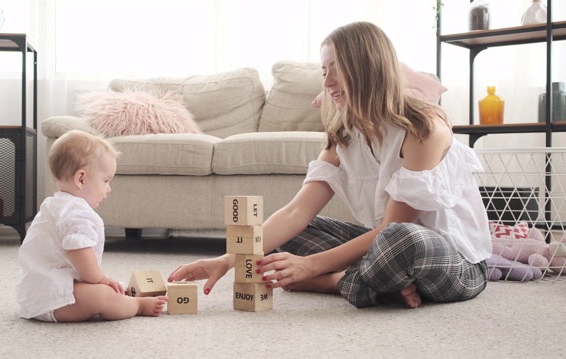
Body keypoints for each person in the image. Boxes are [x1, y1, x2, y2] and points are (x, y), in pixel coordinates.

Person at [169, 21, 491, 309]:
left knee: (400, 239)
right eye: (324, 71)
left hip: (451, 261)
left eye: (337, 68)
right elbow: (297, 212)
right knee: (286, 237)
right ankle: (378, 283)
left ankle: (335, 282)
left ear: (367, 68)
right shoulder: (344, 134)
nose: (328, 82)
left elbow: (391, 229)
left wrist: (310, 269)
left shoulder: (423, 128)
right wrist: (228, 261)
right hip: (381, 250)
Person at [17, 129, 167, 322]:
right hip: (55, 300)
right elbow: (78, 251)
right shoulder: (76, 212)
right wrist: (100, 279)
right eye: (106, 181)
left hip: (39, 292)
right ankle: (138, 305)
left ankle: (119, 296)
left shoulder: (55, 205)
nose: (109, 188)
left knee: (105, 289)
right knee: (103, 295)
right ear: (81, 179)